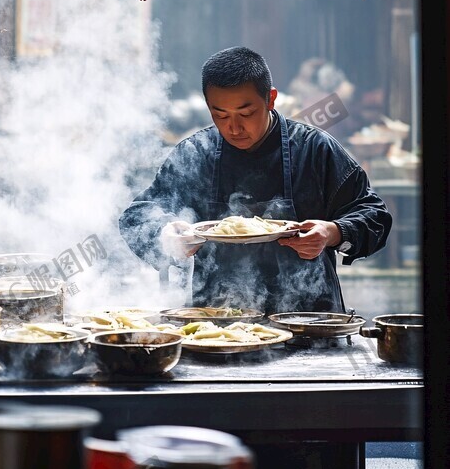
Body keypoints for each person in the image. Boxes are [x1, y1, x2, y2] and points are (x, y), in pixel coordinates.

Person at [118, 46, 393, 315]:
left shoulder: (314, 149)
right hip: (218, 325)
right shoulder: (195, 153)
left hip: (309, 320)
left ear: (270, 99)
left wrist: (332, 233)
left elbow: (375, 216)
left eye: (246, 114)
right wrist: (165, 236)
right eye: (220, 115)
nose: (234, 128)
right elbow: (137, 216)